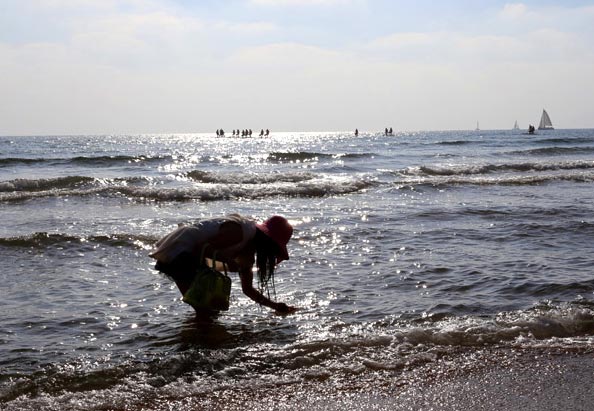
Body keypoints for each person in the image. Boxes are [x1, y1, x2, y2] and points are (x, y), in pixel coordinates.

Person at [150, 214, 297, 314]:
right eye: (273, 249)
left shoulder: (247, 253)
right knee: (206, 310)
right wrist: (228, 261)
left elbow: (248, 289)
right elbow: (201, 247)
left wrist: (276, 306)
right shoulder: (240, 231)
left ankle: (198, 342)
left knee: (207, 310)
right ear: (266, 241)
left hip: (187, 257)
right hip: (179, 251)